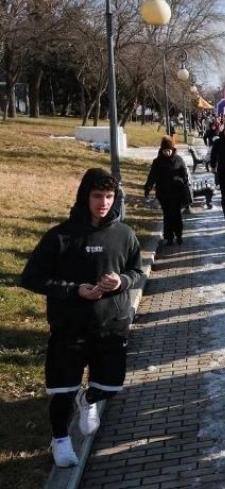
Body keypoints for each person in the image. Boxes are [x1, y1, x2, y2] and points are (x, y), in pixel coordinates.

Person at [21, 169, 143, 467]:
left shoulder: (124, 233)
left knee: (111, 386)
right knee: (63, 391)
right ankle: (60, 440)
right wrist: (75, 290)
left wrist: (122, 282)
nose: (103, 202)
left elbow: (136, 272)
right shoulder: (60, 236)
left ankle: (88, 401)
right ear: (85, 196)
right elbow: (31, 278)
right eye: (97, 196)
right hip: (70, 326)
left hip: (111, 326)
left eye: (109, 196)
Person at [144, 137, 189, 245]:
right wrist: (148, 188)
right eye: (165, 150)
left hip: (177, 192)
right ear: (162, 150)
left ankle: (179, 235)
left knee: (177, 215)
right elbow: (152, 176)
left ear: (173, 149)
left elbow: (184, 174)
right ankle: (169, 237)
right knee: (167, 215)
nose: (167, 152)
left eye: (169, 150)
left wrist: (184, 183)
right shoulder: (157, 161)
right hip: (163, 193)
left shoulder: (179, 159)